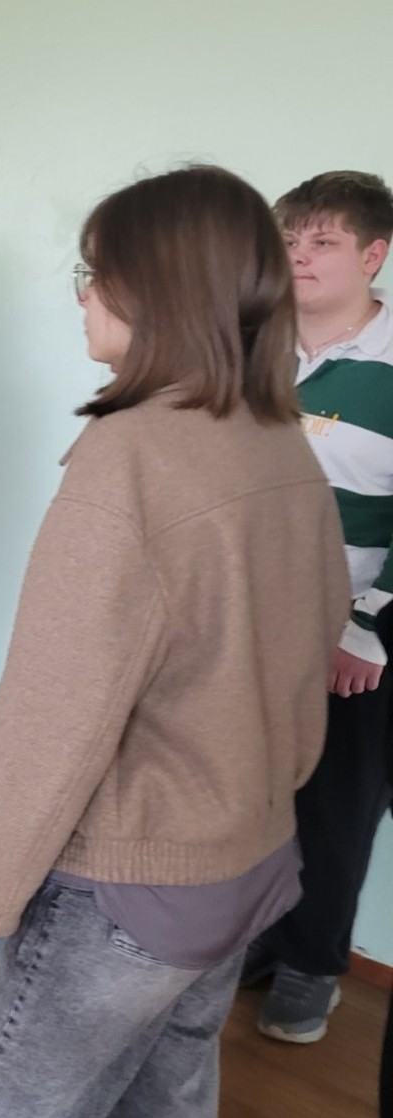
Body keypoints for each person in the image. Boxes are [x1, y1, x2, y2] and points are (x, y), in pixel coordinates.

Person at [0, 165, 349, 1118]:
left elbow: (56, 710)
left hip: (123, 885)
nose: (82, 295)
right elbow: (313, 642)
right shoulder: (280, 439)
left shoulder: (130, 458)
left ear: (156, 290)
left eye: (96, 272)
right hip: (241, 859)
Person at [242, 171, 393, 1043]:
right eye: (290, 238)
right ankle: (259, 938)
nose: (299, 255)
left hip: (354, 634)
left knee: (335, 810)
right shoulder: (256, 347)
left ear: (374, 255)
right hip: (253, 621)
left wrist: (365, 629)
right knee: (254, 794)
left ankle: (311, 966)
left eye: (323, 241)